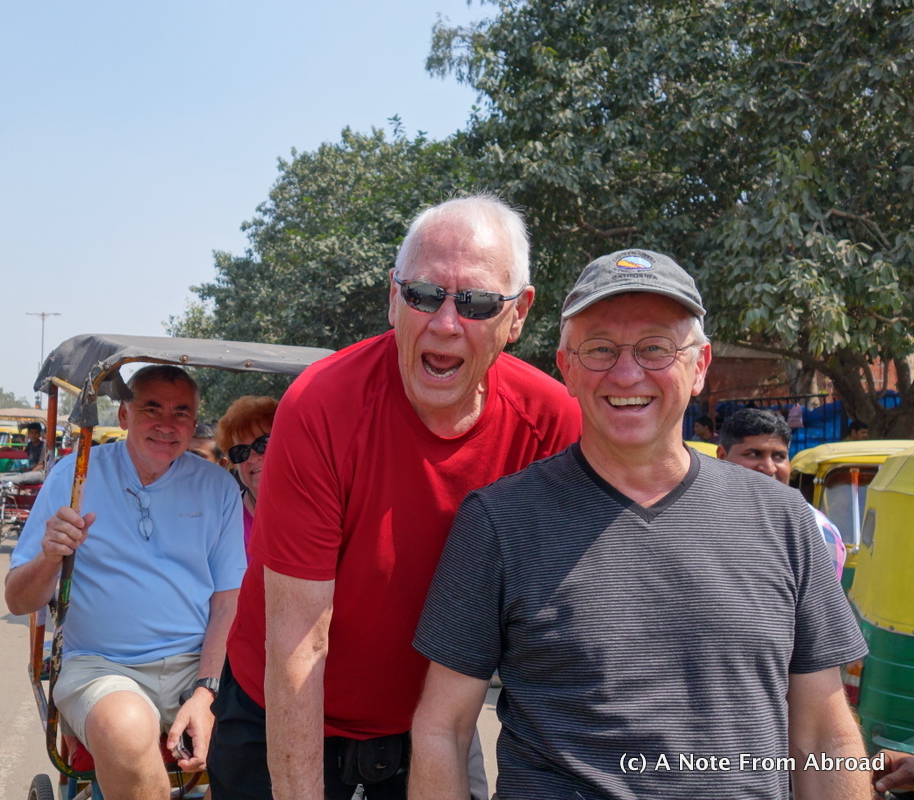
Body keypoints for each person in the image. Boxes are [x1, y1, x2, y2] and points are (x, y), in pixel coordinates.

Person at [411, 249, 870, 800]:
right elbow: (443, 729)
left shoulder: (786, 522)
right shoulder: (498, 522)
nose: (627, 373)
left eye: (656, 348)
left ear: (699, 366)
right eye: (600, 349)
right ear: (567, 368)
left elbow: (824, 734)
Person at [208, 195, 582, 800]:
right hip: (278, 708)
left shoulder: (552, 423)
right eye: (425, 295)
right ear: (393, 297)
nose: (446, 323)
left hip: (432, 727)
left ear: (517, 316)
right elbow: (300, 641)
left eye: (478, 303)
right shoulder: (321, 406)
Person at [5, 365, 245, 800]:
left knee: (268, 731)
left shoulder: (217, 486)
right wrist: (49, 556)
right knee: (127, 731)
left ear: (194, 423)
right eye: (151, 409)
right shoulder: (74, 475)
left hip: (199, 665)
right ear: (123, 416)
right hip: (101, 665)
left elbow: (228, 601)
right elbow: (18, 600)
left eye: (181, 413)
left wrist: (207, 692)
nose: (167, 424)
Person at [717, 406, 846, 578]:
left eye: (779, 457)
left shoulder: (815, 529)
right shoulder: (695, 519)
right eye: (754, 454)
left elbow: (821, 594)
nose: (769, 468)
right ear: (722, 456)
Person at [215, 396, 278, 554]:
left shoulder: (317, 504)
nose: (252, 458)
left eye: (263, 444)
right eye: (241, 451)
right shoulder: (224, 515)